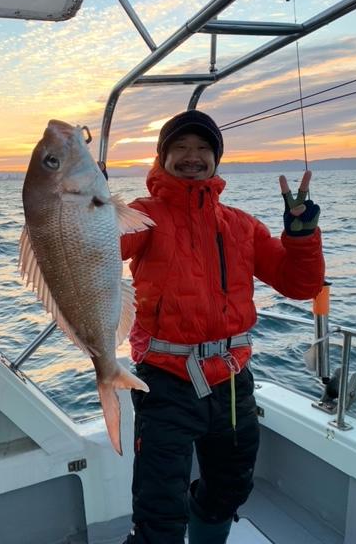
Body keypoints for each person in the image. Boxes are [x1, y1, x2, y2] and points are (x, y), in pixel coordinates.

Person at [120, 109, 325, 544]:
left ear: (216, 159)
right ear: (162, 157)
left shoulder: (241, 225)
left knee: (229, 489)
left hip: (231, 381)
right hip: (166, 380)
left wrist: (302, 236)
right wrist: (85, 210)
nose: (191, 157)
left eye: (202, 149)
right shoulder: (142, 215)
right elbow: (101, 244)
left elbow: (299, 284)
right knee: (159, 510)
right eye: (180, 148)